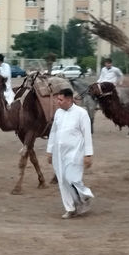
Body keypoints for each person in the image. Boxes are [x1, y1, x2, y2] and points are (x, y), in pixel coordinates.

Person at [47, 88, 94, 219]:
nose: (57, 102)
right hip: (58, 152)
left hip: (75, 152)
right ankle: (70, 208)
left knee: (72, 178)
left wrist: (88, 155)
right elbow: (53, 132)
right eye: (57, 99)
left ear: (69, 99)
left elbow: (87, 135)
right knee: (62, 180)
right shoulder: (58, 113)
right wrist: (50, 151)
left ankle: (85, 196)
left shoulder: (81, 113)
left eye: (60, 100)